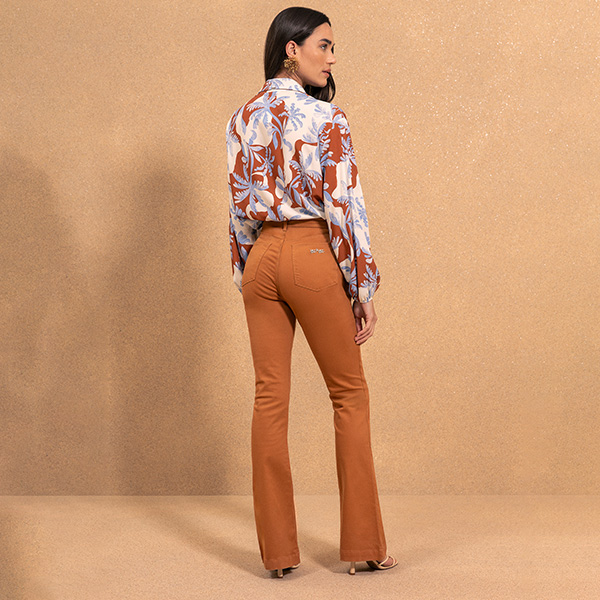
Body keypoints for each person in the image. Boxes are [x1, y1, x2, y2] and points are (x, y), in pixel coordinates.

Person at [226, 6, 398, 578]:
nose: (331, 58)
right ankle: (365, 546)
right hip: (311, 251)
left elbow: (237, 206)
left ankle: (278, 556)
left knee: (268, 399)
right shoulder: (327, 118)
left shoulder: (240, 118)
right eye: (323, 45)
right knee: (349, 394)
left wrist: (246, 272)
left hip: (260, 260)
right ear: (291, 49)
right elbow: (344, 204)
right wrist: (362, 285)